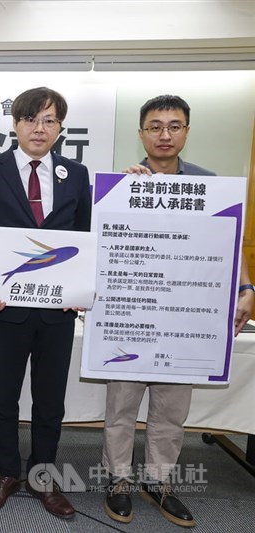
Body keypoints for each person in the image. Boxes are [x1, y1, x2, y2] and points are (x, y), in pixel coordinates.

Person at [101, 95, 253, 528]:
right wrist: (122, 193)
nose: (164, 134)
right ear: (141, 134)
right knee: (121, 407)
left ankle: (159, 483)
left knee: (171, 411)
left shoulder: (210, 186)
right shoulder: (122, 183)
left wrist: (246, 288)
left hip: (182, 318)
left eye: (174, 125)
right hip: (133, 314)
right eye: (154, 126)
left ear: (187, 130)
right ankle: (118, 481)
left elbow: (231, 241)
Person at [0, 87, 91, 520]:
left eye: (50, 120)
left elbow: (83, 237)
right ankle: (5, 472)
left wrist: (81, 288)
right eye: (32, 119)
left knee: (50, 399)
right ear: (16, 124)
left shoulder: (76, 175)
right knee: (3, 397)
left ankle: (42, 475)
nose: (40, 128)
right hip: (7, 309)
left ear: (59, 128)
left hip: (57, 310)